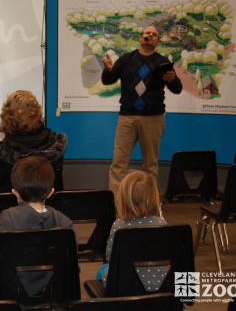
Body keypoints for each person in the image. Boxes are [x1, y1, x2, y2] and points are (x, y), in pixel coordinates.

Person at [0, 156, 78, 302]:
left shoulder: (8, 216)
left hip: (11, 283)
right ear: (51, 192)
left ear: (15, 193)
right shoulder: (66, 222)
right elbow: (72, 264)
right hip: (53, 284)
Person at [102, 25, 182, 195]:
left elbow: (177, 89)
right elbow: (108, 81)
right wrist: (107, 70)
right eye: (147, 33)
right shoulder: (125, 59)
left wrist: (173, 79)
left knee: (150, 165)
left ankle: (149, 204)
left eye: (154, 34)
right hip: (127, 118)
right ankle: (116, 204)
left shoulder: (163, 63)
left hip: (153, 118)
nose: (150, 35)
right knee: (119, 163)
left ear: (157, 41)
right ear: (140, 38)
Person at [0, 90, 67, 193]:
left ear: (7, 116)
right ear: (37, 113)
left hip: (10, 207)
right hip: (49, 207)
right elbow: (58, 188)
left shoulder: (1, 154)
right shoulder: (55, 146)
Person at [97, 170, 167, 291]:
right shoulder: (162, 223)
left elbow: (110, 257)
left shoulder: (119, 226)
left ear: (123, 199)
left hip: (125, 284)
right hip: (160, 283)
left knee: (103, 270)